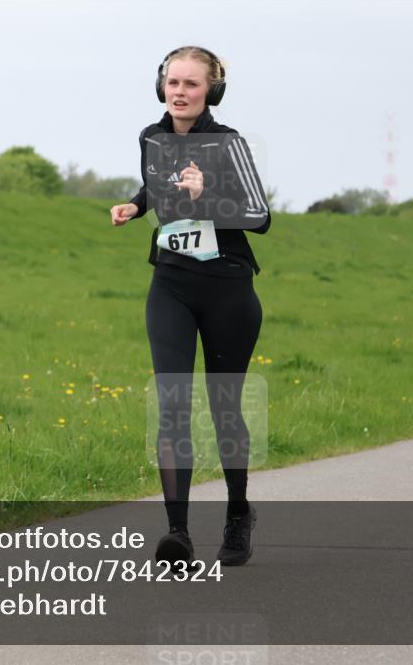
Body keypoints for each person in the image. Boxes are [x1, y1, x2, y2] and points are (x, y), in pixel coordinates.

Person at [110, 46, 270, 567]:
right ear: (161, 86)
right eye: (173, 82)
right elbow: (156, 186)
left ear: (211, 91)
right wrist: (137, 205)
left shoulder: (230, 143)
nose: (179, 93)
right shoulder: (151, 138)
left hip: (227, 287)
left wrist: (208, 196)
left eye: (191, 84)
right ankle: (177, 533)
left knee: (225, 408)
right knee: (173, 402)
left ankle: (238, 512)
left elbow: (258, 215)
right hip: (172, 284)